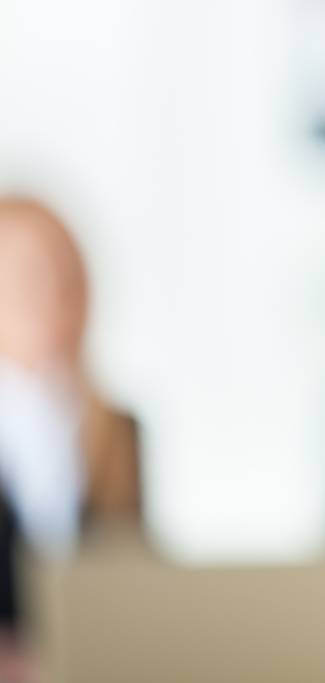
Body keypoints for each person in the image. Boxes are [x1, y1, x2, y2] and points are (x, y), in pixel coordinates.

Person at [0, 196, 141, 663]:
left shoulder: (117, 432)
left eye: (64, 275)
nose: (50, 294)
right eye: (27, 277)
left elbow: (137, 587)